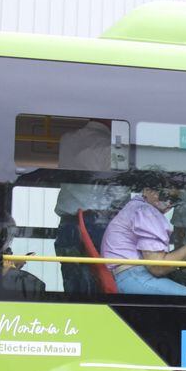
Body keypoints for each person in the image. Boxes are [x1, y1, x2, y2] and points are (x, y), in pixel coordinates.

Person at [52, 120, 130, 295]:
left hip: (67, 225)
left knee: (74, 283)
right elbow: (119, 193)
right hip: (98, 224)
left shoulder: (66, 140)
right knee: (101, 285)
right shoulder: (110, 148)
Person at [100, 185, 186, 296]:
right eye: (165, 196)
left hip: (128, 276)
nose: (169, 203)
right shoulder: (147, 212)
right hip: (134, 277)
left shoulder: (135, 207)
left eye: (174, 200)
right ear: (147, 190)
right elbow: (157, 267)